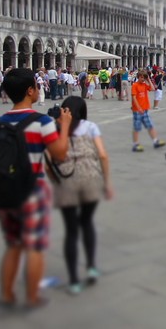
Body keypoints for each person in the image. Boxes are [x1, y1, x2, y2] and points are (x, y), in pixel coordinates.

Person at [0, 68, 72, 309]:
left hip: (4, 190)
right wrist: (65, 125)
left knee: (14, 246)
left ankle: (7, 295)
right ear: (31, 91)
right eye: (36, 87)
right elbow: (59, 155)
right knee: (34, 247)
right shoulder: (42, 122)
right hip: (31, 190)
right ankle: (32, 297)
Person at [51, 96, 113, 296]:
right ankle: (91, 267)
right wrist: (107, 183)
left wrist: (55, 181)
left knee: (71, 231)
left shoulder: (54, 129)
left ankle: (74, 280)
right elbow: (102, 155)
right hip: (90, 178)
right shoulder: (90, 126)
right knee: (86, 223)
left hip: (66, 180)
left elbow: (48, 161)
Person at [131, 69, 166, 151]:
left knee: (150, 125)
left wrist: (148, 79)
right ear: (138, 77)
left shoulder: (144, 85)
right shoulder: (135, 85)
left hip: (145, 109)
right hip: (137, 110)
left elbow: (153, 88)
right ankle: (135, 144)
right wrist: (138, 108)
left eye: (144, 78)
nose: (142, 79)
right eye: (141, 77)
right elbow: (133, 98)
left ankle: (155, 141)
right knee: (137, 128)